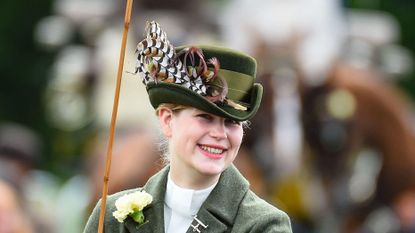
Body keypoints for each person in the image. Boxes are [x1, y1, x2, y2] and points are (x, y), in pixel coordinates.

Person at [83, 21, 292, 233]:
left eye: (231, 122)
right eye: (204, 117)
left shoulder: (264, 225)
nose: (220, 134)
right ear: (167, 120)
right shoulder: (111, 216)